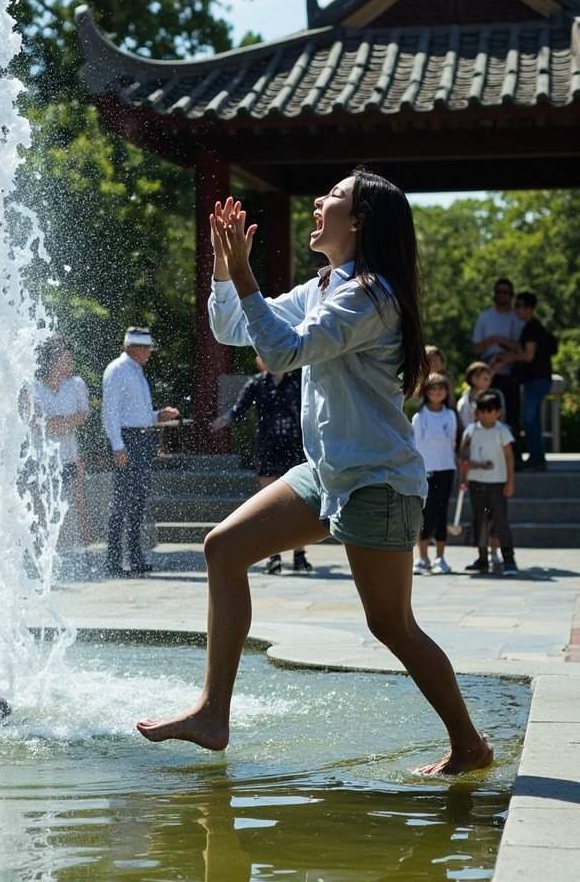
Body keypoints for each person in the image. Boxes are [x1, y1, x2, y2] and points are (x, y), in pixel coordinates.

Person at [136, 168, 493, 776]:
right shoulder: (325, 285)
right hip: (326, 473)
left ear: (359, 222)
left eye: (334, 198)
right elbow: (233, 328)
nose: (320, 203)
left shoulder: (373, 295)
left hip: (378, 480)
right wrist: (225, 267)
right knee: (223, 548)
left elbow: (282, 353)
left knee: (391, 625)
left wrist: (246, 274)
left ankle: (469, 743)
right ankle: (212, 713)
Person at [211, 357, 312, 573]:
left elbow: (310, 412)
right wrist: (224, 420)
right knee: (271, 505)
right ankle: (273, 556)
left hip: (293, 446)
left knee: (298, 504)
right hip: (268, 446)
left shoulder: (298, 383)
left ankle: (299, 555)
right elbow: (239, 409)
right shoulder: (256, 384)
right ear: (260, 362)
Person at [101, 327, 180, 577]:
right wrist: (117, 446)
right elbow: (110, 412)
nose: (149, 353)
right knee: (122, 500)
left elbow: (136, 412)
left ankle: (134, 556)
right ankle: (113, 559)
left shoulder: (136, 371)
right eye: (146, 348)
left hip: (141, 438)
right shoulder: (117, 370)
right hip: (128, 439)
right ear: (133, 348)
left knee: (137, 501)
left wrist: (158, 416)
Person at [33, 334, 92, 546]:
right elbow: (33, 421)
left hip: (70, 456)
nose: (70, 363)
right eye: (65, 359)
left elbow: (83, 415)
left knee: (79, 504)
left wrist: (58, 423)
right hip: (42, 458)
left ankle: (87, 554)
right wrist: (61, 423)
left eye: (70, 359)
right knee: (43, 506)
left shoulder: (75, 385)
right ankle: (46, 549)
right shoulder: (34, 387)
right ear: (52, 360)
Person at [459, 391, 518, 575]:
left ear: (498, 412)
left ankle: (508, 559)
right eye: (482, 411)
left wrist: (510, 482)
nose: (486, 415)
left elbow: (509, 457)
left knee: (501, 521)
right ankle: (482, 558)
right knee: (480, 521)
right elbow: (463, 456)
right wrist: (463, 477)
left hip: (497, 484)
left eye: (490, 411)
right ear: (477, 412)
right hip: (476, 483)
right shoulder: (471, 430)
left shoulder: (502, 430)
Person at [498, 292, 556, 471]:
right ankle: (537, 458)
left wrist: (509, 358)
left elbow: (528, 356)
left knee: (529, 420)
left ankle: (536, 459)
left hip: (536, 379)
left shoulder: (532, 328)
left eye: (521, 306)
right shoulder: (531, 327)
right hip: (537, 379)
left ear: (530, 308)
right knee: (532, 420)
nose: (517, 310)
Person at [472, 278, 523, 466]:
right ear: (494, 295)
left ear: (511, 295)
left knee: (512, 415)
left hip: (510, 372)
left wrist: (501, 343)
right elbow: (476, 348)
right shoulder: (484, 317)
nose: (502, 295)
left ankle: (514, 456)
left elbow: (522, 348)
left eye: (506, 292)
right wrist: (493, 340)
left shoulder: (517, 319)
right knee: (487, 412)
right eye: (499, 292)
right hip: (488, 371)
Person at [411, 373, 458, 575]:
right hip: (426, 470)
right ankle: (422, 557)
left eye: (441, 389)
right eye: (432, 389)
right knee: (426, 513)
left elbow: (451, 440)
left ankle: (440, 557)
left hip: (446, 468)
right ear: (425, 392)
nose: (437, 393)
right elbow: (416, 445)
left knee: (442, 513)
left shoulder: (450, 415)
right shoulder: (419, 417)